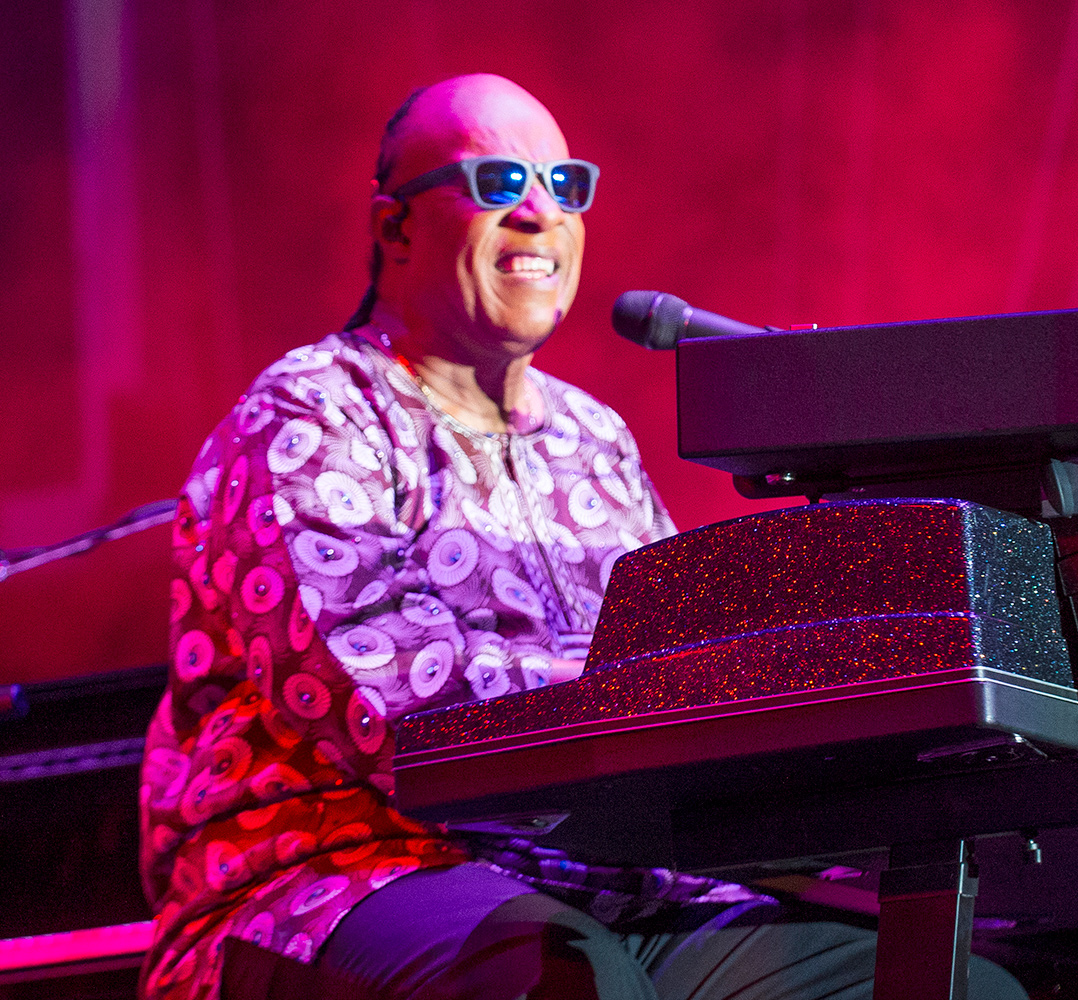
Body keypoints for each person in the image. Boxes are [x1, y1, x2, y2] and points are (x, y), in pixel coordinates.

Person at [139, 73, 1025, 1000]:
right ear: (394, 227)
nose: (538, 213)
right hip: (344, 874)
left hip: (624, 887)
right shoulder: (310, 413)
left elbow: (681, 654)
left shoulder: (592, 435)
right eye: (495, 183)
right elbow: (392, 710)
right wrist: (663, 699)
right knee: (563, 980)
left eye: (564, 187)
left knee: (940, 982)